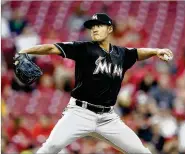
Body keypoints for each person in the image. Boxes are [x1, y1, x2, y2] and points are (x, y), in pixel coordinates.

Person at [19, 13, 173, 154]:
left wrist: (155, 51)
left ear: (110, 29)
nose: (94, 29)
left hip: (107, 117)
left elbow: (138, 53)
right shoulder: (84, 48)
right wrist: (26, 50)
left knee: (141, 151)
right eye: (92, 26)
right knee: (51, 147)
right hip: (79, 113)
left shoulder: (122, 54)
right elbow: (52, 48)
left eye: (99, 25)